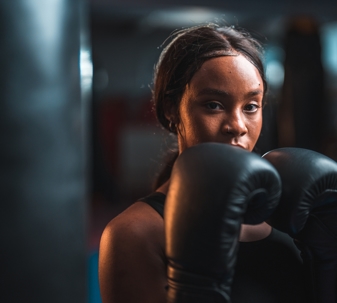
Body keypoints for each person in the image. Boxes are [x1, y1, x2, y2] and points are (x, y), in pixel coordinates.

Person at [98, 23, 308, 303]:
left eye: (251, 106)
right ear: (172, 109)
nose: (237, 126)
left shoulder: (286, 210)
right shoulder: (133, 234)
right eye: (213, 105)